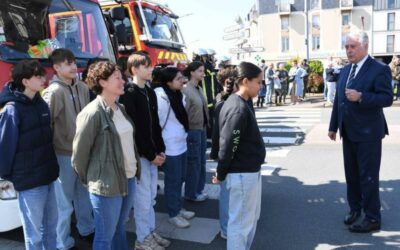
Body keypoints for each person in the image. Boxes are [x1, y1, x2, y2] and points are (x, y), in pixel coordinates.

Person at [328, 31, 393, 233]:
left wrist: (362, 96)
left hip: (368, 134)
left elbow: (386, 98)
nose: (349, 50)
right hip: (348, 131)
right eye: (347, 47)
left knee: (368, 176)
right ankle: (355, 209)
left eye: (353, 46)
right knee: (352, 175)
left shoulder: (379, 69)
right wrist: (333, 126)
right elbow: (339, 99)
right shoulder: (346, 70)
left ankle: (373, 217)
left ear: (365, 46)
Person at [72, 61, 140, 250]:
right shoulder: (91, 113)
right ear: (102, 82)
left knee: (119, 229)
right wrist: (94, 180)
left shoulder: (121, 109)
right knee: (104, 237)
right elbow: (79, 156)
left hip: (128, 178)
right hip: (106, 185)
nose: (123, 81)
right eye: (117, 78)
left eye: (121, 77)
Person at [0, 60, 59, 250]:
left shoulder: (40, 102)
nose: (44, 78)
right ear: (25, 81)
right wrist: (9, 178)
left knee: (51, 228)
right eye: (38, 76)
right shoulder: (12, 109)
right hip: (30, 182)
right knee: (34, 236)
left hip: (48, 176)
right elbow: (4, 146)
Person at [42, 48, 94, 250]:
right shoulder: (53, 91)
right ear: (56, 68)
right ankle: (61, 242)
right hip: (63, 153)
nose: (74, 67)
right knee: (63, 202)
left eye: (74, 62)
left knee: (84, 195)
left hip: (85, 151)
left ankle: (87, 229)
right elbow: (47, 126)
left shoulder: (81, 87)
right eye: (68, 63)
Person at [119, 52, 169, 250]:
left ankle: (150, 231)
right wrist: (151, 154)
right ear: (134, 69)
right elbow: (135, 129)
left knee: (151, 197)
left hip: (152, 153)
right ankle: (142, 239)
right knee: (142, 199)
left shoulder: (149, 91)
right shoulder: (129, 93)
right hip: (139, 156)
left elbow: (154, 123)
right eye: (146, 66)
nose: (151, 69)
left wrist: (160, 149)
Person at [212, 61, 265, 250]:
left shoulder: (241, 103)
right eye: (258, 82)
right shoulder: (237, 108)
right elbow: (228, 144)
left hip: (248, 171)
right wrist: (221, 173)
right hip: (242, 173)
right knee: (240, 225)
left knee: (248, 221)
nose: (261, 86)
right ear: (245, 81)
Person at [153, 67, 195, 228]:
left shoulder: (178, 95)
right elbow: (156, 124)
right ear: (168, 82)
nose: (182, 80)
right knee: (173, 181)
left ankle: (177, 207)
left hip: (181, 144)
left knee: (181, 179)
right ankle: (173, 213)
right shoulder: (161, 97)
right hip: (169, 147)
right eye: (178, 78)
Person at [210, 65, 238, 240]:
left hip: (227, 151)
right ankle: (226, 229)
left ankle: (229, 226)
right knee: (227, 194)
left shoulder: (225, 99)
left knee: (230, 192)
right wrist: (216, 153)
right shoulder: (224, 102)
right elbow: (218, 133)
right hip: (226, 152)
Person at [182, 61, 210, 202]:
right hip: (192, 130)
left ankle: (198, 190)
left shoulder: (198, 88)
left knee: (201, 162)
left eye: (203, 70)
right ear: (192, 72)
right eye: (200, 70)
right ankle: (192, 193)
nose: (202, 73)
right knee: (194, 163)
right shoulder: (186, 89)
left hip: (201, 129)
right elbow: (183, 113)